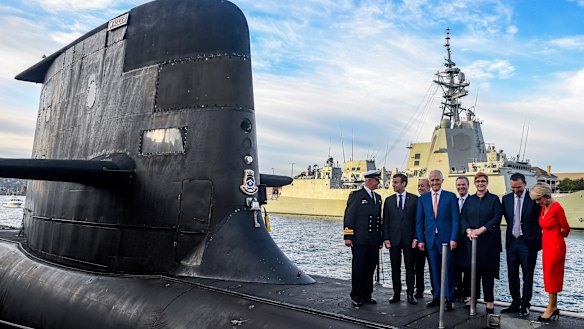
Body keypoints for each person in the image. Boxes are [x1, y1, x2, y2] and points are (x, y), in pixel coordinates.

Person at [458, 173, 503, 314]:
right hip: (471, 241)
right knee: (472, 273)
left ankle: (489, 301)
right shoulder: (469, 200)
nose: (480, 183)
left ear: (487, 182)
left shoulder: (494, 199)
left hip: (488, 243)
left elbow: (497, 217)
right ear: (475, 183)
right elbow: (463, 217)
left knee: (487, 273)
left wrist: (481, 230)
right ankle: (473, 298)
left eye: (483, 181)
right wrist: (468, 231)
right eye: (478, 181)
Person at [416, 170, 459, 311]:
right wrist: (421, 240)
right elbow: (419, 221)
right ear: (429, 182)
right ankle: (437, 296)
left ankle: (449, 298)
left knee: (448, 270)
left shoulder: (451, 197)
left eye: (437, 180)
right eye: (432, 180)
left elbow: (455, 220)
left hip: (446, 240)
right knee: (434, 270)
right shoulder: (423, 199)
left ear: (442, 180)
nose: (434, 183)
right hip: (430, 241)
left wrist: (453, 238)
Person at [500, 173, 542, 317]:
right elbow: (508, 218)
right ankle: (515, 302)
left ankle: (525, 304)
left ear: (524, 184)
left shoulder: (533, 199)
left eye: (518, 187)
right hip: (512, 242)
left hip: (528, 243)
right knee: (512, 274)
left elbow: (541, 218)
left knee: (527, 275)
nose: (516, 190)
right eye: (513, 187)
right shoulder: (505, 199)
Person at [530, 183, 570, 321]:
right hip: (547, 246)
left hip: (555, 246)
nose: (537, 202)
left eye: (538, 199)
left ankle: (551, 307)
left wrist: (557, 235)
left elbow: (566, 229)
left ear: (546, 196)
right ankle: (552, 306)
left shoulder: (557, 208)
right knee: (548, 275)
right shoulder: (544, 207)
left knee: (553, 275)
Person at [344, 169, 383, 307]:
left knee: (370, 267)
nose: (379, 183)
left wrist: (380, 238)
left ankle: (367, 294)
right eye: (377, 181)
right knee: (359, 267)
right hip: (360, 240)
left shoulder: (378, 198)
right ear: (370, 181)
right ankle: (356, 294)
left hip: (373, 240)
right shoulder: (356, 196)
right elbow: (349, 216)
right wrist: (348, 236)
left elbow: (378, 219)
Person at [383, 174, 419, 305]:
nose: (393, 184)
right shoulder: (389, 200)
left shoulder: (415, 200)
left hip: (410, 240)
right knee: (395, 267)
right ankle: (396, 293)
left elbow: (418, 221)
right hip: (394, 239)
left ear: (404, 183)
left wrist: (416, 237)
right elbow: (385, 220)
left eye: (396, 182)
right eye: (393, 182)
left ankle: (410, 294)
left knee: (410, 268)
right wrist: (386, 238)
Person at [454, 176, 471, 304]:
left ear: (468, 185)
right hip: (456, 239)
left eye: (463, 185)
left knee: (469, 269)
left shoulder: (472, 201)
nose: (461, 187)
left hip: (469, 240)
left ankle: (467, 293)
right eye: (459, 185)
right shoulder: (454, 201)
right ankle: (458, 291)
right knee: (456, 267)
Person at [414, 178, 432, 298]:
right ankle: (419, 290)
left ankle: (436, 291)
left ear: (429, 187)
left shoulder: (433, 200)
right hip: (419, 240)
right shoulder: (416, 201)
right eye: (418, 186)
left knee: (433, 268)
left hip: (431, 240)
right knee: (418, 268)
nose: (420, 188)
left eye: (423, 186)